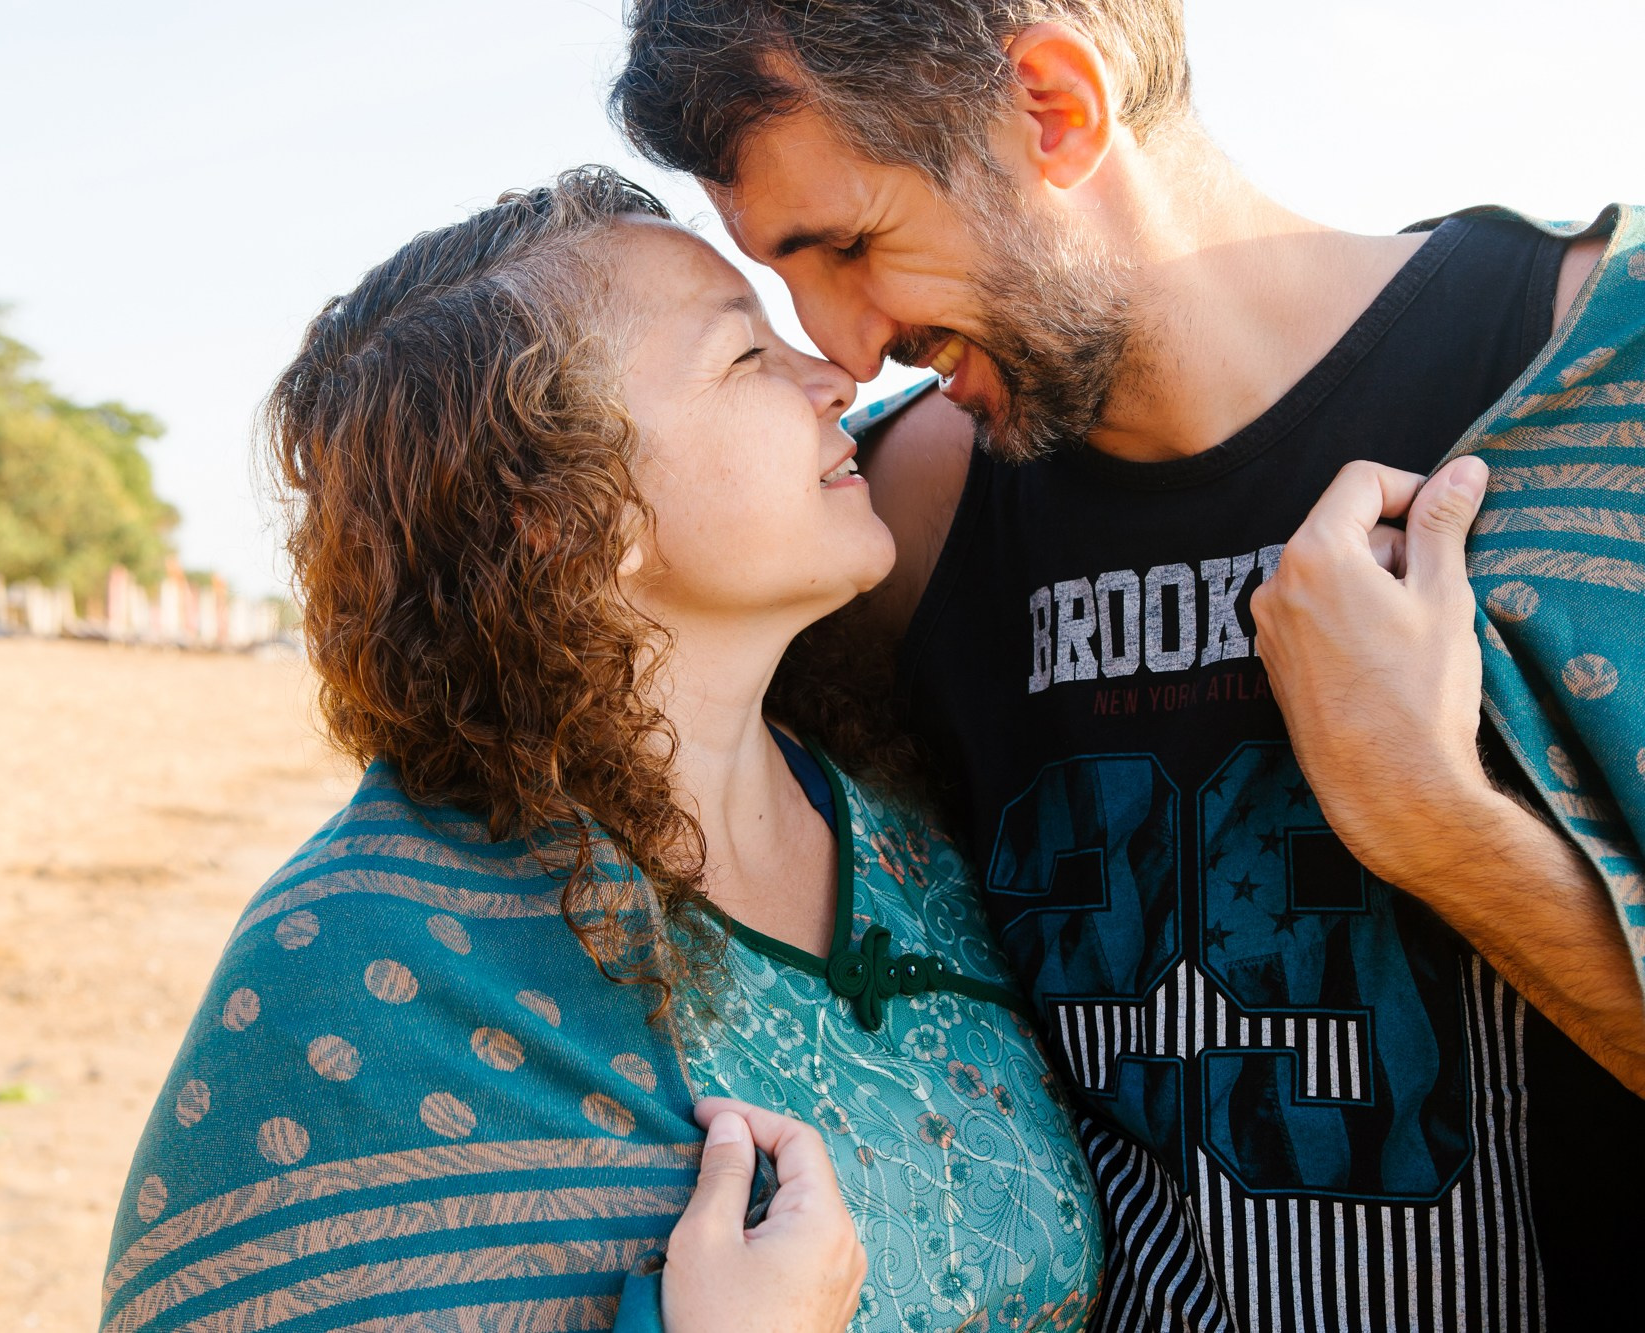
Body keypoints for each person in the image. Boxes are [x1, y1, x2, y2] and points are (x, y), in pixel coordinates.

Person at [612, 3, 1645, 1330]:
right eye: (782, 279)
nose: (847, 347)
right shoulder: (903, 519)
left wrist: (1441, 829)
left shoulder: (1585, 384)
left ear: (1053, 106)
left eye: (855, 245)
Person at [100, 168, 1104, 1333]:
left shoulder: (913, 843)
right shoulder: (352, 970)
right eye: (742, 358)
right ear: (574, 517)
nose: (836, 375)